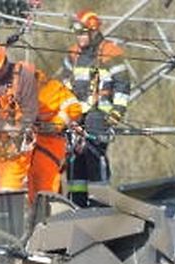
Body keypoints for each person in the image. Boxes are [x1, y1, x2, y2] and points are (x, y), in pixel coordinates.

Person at [63, 9, 130, 206]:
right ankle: (78, 204)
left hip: (99, 116)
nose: (80, 38)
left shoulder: (110, 52)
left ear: (93, 32)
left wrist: (117, 111)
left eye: (83, 33)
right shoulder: (73, 54)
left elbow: (123, 85)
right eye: (77, 34)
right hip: (76, 116)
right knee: (75, 162)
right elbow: (64, 84)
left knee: (94, 157)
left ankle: (101, 204)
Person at [0, 43, 39, 195]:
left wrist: (19, 130)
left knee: (13, 183)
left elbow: (30, 109)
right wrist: (6, 128)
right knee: (4, 180)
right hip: (1, 143)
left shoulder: (24, 76)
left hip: (24, 140)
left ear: (5, 60)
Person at [31, 71, 83, 199]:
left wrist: (56, 124)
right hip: (26, 149)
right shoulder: (10, 91)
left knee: (47, 186)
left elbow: (74, 108)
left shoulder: (52, 88)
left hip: (49, 145)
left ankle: (48, 213)